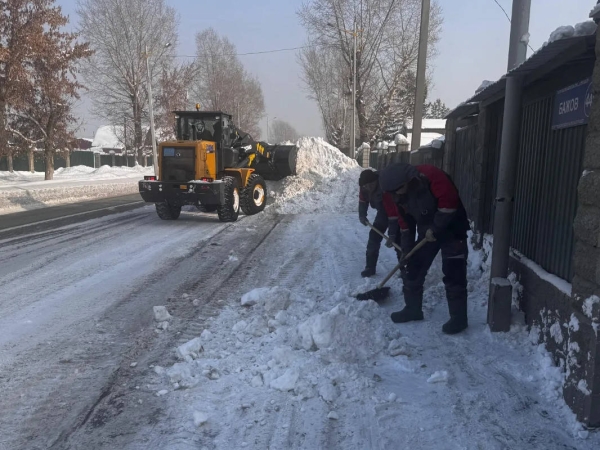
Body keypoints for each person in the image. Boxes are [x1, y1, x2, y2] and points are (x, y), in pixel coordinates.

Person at [379, 163, 470, 335]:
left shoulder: (430, 175)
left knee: (454, 272)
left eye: (398, 190)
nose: (396, 195)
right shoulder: (397, 195)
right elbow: (405, 224)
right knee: (413, 266)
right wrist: (406, 250)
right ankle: (413, 309)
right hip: (426, 231)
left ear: (406, 181)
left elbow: (449, 203)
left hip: (452, 227)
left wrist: (435, 228)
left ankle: (459, 319)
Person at [358, 169, 403, 277]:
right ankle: (370, 267)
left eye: (369, 185)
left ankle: (404, 268)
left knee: (398, 240)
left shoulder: (384, 187)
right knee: (373, 237)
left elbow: (393, 214)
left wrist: (392, 235)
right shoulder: (364, 187)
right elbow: (363, 201)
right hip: (382, 212)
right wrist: (362, 215)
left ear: (375, 181)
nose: (367, 188)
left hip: (399, 211)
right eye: (365, 186)